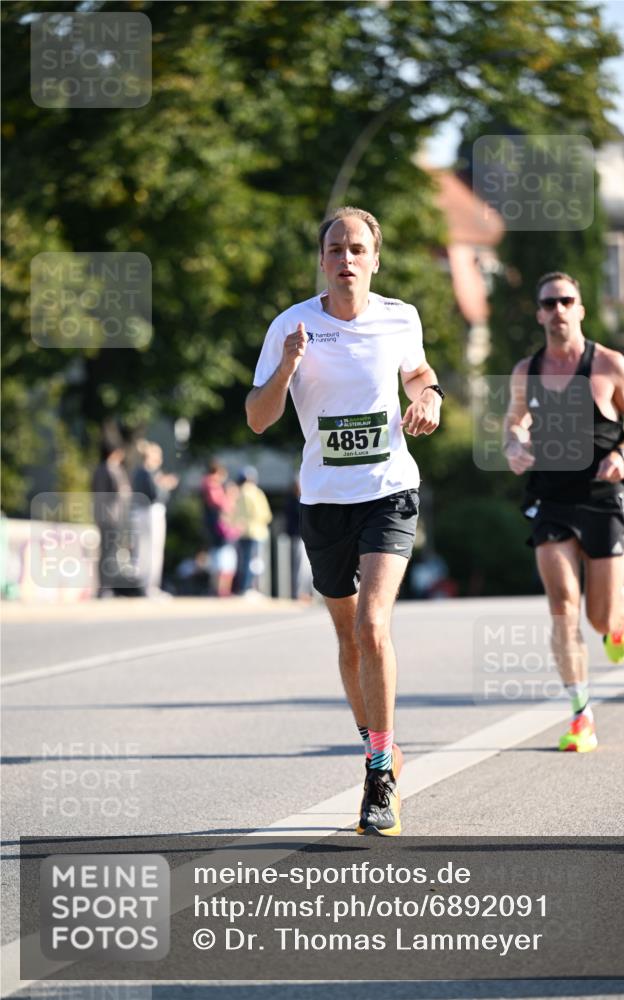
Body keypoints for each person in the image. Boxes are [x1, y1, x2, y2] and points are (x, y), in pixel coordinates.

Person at [246, 206, 443, 835]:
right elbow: (257, 417)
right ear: (323, 259)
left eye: (358, 248)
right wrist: (287, 366)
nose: (347, 258)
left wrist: (430, 397)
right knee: (346, 636)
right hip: (325, 499)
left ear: (375, 259)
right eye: (336, 248)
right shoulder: (291, 325)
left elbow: (417, 371)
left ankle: (379, 772)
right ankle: (375, 739)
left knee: (372, 624)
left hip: (388, 490)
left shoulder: (400, 318)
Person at [504, 271, 624, 752]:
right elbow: (514, 422)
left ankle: (619, 612)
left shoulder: (608, 364)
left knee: (599, 618)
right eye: (548, 303)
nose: (557, 310)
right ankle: (580, 715)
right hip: (552, 500)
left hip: (602, 498)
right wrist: (514, 444)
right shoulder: (526, 371)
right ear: (539, 313)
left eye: (566, 300)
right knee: (562, 608)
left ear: (581, 308)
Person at [131, 441, 179, 597]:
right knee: (153, 550)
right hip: (150, 512)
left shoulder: (140, 472)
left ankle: (146, 587)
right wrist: (165, 485)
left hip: (142, 512)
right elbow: (155, 494)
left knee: (145, 550)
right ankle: (150, 587)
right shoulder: (148, 473)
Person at [91, 438, 132, 597]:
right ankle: (104, 587)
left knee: (114, 552)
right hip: (109, 517)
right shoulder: (104, 470)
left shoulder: (115, 469)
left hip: (116, 516)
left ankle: (111, 586)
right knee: (107, 552)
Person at [201, 460, 239, 597]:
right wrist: (229, 498)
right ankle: (220, 589)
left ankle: (222, 589)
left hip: (219, 526)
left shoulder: (211, 485)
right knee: (221, 557)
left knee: (224, 557)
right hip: (218, 528)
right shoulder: (211, 484)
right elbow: (219, 503)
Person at [233, 466, 273, 596]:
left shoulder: (238, 493)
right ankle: (249, 588)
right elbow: (265, 514)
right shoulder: (256, 492)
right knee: (254, 562)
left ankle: (243, 588)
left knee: (243, 561)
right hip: (256, 531)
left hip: (241, 531)